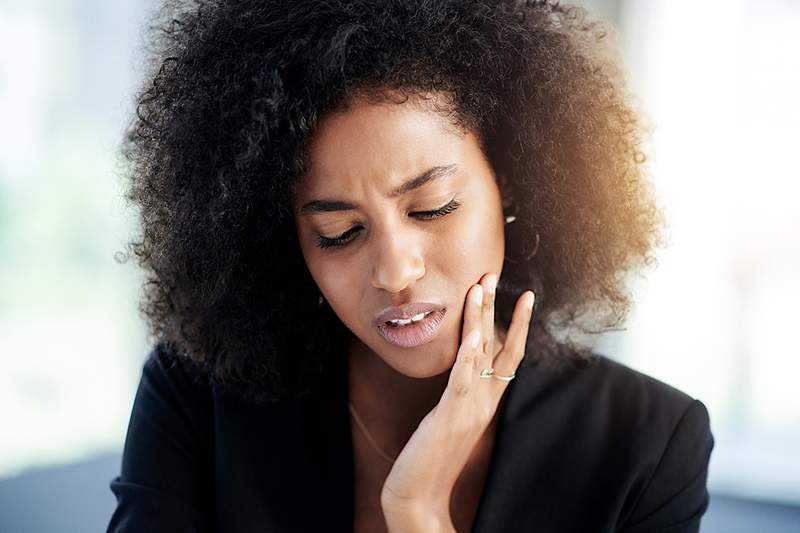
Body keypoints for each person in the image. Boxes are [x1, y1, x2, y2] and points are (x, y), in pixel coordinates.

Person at [107, 1, 714, 531]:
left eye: (433, 207)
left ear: (509, 183)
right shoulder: (197, 397)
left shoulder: (648, 444)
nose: (395, 271)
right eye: (338, 233)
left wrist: (418, 511)